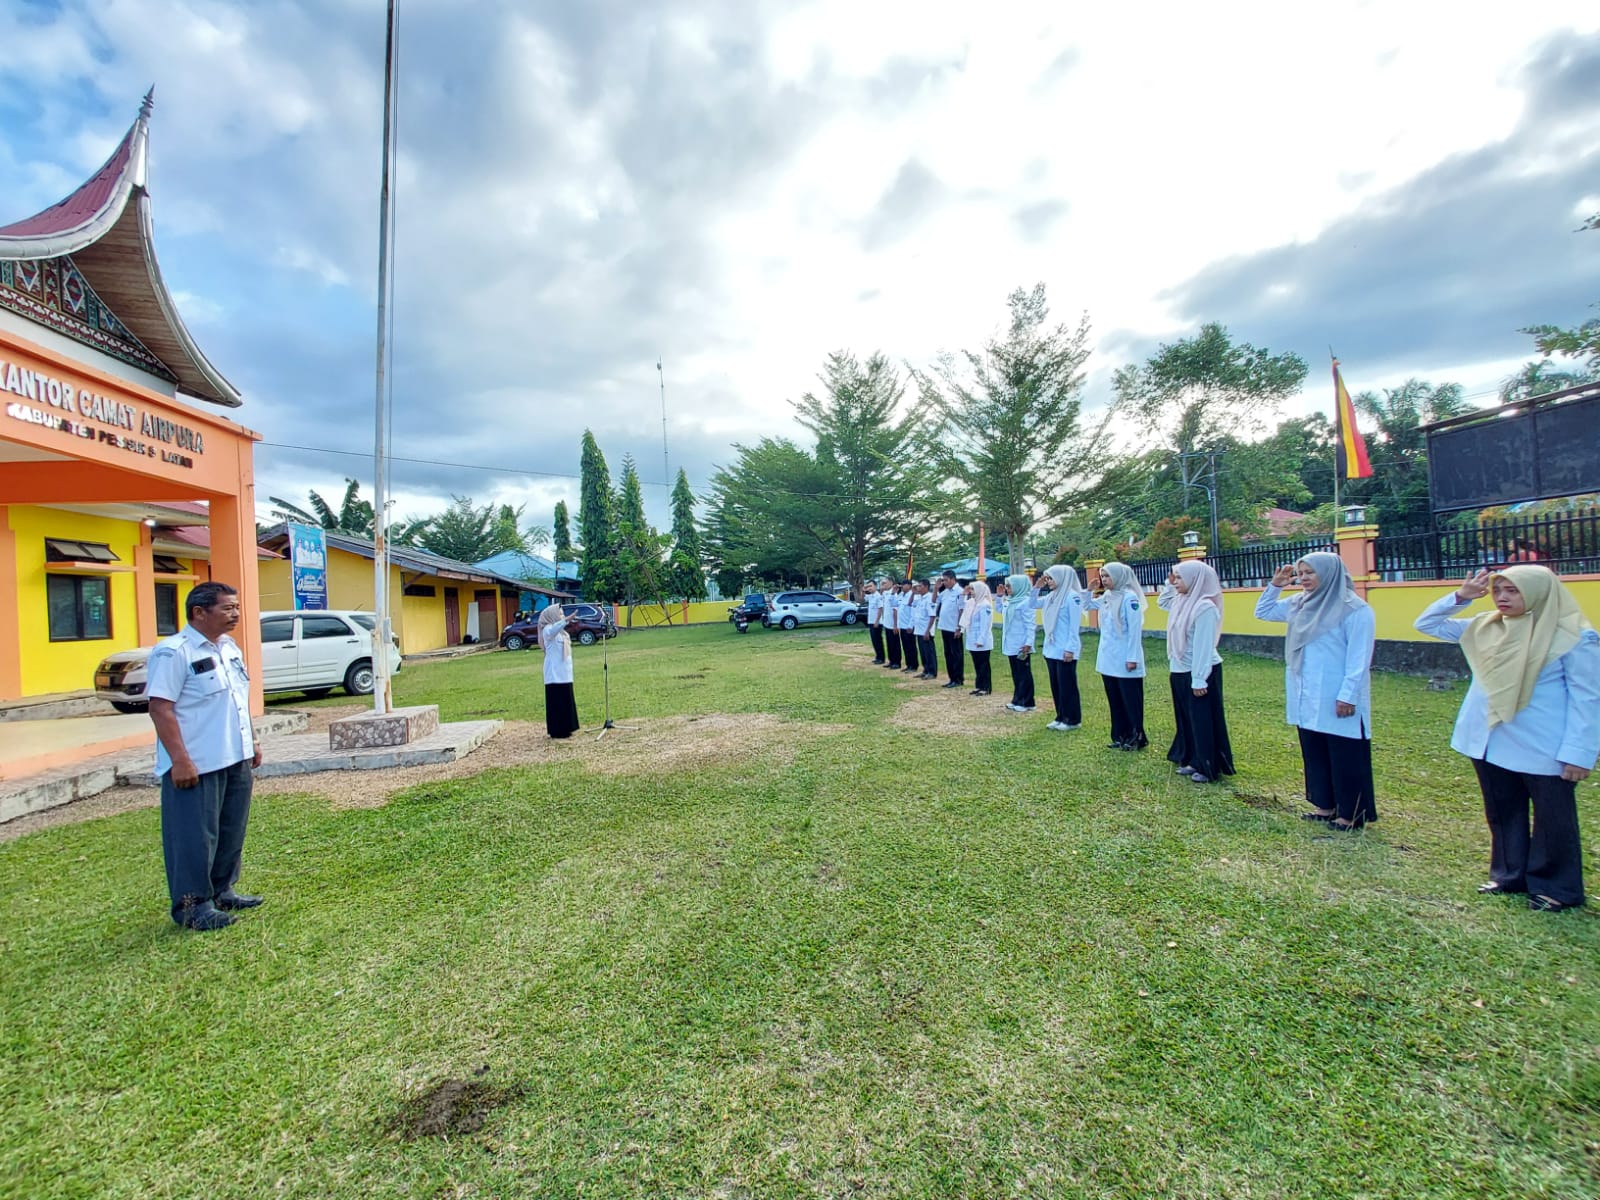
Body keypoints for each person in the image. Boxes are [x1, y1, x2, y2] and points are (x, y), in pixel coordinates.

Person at [1414, 566, 1597, 911]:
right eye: (1499, 590)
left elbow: (1587, 699)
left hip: (1543, 743)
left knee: (1553, 817)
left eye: (1513, 591)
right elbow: (1427, 624)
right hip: (1490, 738)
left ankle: (1558, 888)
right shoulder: (1486, 625)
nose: (1502, 598)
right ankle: (1509, 875)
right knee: (1503, 809)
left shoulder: (1574, 637)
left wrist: (1579, 752)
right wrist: (1461, 597)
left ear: (1539, 592)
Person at [145, 581, 262, 932]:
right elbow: (160, 708)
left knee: (230, 829)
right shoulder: (173, 652)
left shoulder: (229, 648)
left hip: (234, 756)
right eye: (227, 608)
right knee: (193, 837)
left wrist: (252, 741)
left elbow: (237, 699)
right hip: (197, 762)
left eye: (236, 607)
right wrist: (180, 759)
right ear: (199, 612)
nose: (236, 614)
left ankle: (222, 890)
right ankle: (192, 906)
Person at [1255, 552, 1377, 829]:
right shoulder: (1300, 603)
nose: (1304, 578)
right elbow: (1263, 612)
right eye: (1301, 573)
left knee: (1344, 752)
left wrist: (1348, 695)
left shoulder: (1354, 609)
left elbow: (1359, 659)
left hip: (1337, 693)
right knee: (1315, 749)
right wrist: (1275, 586)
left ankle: (1350, 814)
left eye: (1310, 572)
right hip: (1306, 689)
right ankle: (1325, 805)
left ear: (1329, 573)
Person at [1165, 561, 1235, 784]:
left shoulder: (1205, 607)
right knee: (1187, 719)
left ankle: (1208, 764)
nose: (1176, 582)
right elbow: (1162, 601)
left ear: (1195, 579)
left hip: (1200, 671)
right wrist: (1169, 582)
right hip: (1180, 668)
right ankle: (1193, 759)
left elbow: (1204, 647)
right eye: (1175, 577)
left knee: (1202, 719)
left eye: (1180, 577)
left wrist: (1198, 679)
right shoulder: (1181, 601)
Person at [1091, 562, 1148, 750]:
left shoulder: (1129, 598)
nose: (1104, 579)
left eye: (1108, 576)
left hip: (1125, 657)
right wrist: (1088, 591)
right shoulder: (1107, 596)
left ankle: (1136, 737)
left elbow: (1134, 631)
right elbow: (1087, 605)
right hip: (1109, 657)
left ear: (1119, 577)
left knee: (1130, 700)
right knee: (1114, 699)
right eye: (1103, 576)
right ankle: (1120, 736)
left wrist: (1133, 658)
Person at [1033, 565, 1086, 731]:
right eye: (1047, 578)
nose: (1048, 581)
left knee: (1067, 686)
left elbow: (1074, 626)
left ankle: (1072, 719)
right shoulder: (1051, 596)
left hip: (1065, 649)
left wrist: (1070, 648)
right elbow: (1032, 603)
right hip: (1052, 648)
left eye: (1051, 578)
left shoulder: (1072, 597)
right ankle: (1061, 716)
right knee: (1056, 685)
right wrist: (1036, 588)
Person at [538, 604, 581, 739]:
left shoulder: (561, 632)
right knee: (557, 701)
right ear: (553, 615)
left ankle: (568, 727)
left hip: (564, 672)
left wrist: (566, 621)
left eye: (563, 614)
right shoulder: (548, 629)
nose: (562, 616)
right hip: (554, 673)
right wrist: (567, 619)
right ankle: (557, 730)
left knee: (566, 700)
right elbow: (553, 630)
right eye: (560, 614)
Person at [1001, 574, 1038, 712]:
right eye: (1006, 586)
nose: (1007, 588)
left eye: (1009, 586)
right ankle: (1017, 699)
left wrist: (1028, 643)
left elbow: (1030, 625)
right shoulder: (1010, 601)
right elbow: (1001, 611)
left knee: (1024, 673)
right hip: (1011, 643)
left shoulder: (1026, 602)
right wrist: (999, 597)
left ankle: (1027, 702)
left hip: (1021, 644)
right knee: (1016, 673)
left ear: (1018, 586)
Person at [962, 580, 995, 696]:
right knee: (977, 664)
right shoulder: (972, 603)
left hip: (982, 640)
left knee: (983, 664)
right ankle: (979, 686)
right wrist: (964, 594)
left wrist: (981, 639)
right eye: (971, 589)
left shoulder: (985, 605)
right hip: (972, 638)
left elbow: (985, 625)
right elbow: (962, 605)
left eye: (973, 589)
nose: (971, 592)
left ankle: (986, 687)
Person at [936, 571, 965, 688]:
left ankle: (958, 679)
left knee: (956, 654)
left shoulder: (960, 592)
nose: (944, 582)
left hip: (954, 628)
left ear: (953, 579)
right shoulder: (945, 592)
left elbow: (961, 610)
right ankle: (952, 678)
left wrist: (959, 627)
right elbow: (934, 601)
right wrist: (936, 588)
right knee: (948, 654)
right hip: (945, 627)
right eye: (943, 580)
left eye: (946, 580)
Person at [912, 579, 939, 679]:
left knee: (929, 652)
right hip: (919, 629)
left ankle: (932, 671)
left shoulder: (929, 598)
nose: (918, 588)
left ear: (926, 587)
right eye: (918, 586)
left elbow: (932, 616)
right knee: (923, 652)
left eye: (920, 586)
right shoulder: (919, 598)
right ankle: (925, 669)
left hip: (926, 630)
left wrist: (927, 631)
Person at [896, 581, 921, 674]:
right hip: (902, 625)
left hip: (908, 626)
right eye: (902, 585)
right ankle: (908, 664)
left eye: (904, 585)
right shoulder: (901, 595)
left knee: (911, 647)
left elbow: (913, 612)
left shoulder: (913, 595)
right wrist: (893, 593)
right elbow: (894, 604)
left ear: (910, 586)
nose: (902, 586)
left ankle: (913, 665)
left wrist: (911, 625)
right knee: (905, 646)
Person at [883, 579, 903, 669]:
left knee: (895, 644)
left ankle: (897, 662)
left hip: (893, 624)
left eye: (885, 583)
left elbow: (895, 611)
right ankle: (891, 661)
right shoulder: (887, 593)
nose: (884, 584)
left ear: (891, 583)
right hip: (887, 623)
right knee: (889, 643)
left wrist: (895, 625)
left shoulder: (895, 594)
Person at [865, 581, 885, 664]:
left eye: (871, 586)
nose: (869, 588)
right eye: (868, 586)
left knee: (878, 640)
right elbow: (862, 598)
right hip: (871, 621)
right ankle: (878, 656)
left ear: (875, 586)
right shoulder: (871, 596)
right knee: (874, 640)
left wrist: (877, 621)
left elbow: (880, 609)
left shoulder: (878, 596)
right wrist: (864, 589)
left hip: (877, 622)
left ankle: (881, 658)